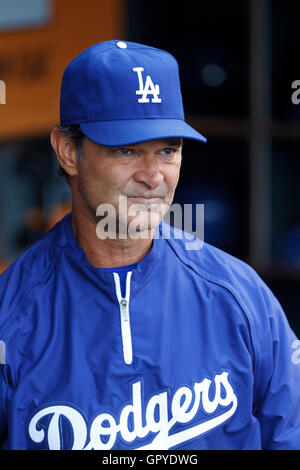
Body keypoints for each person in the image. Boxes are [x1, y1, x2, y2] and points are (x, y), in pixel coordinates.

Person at [0, 40, 300, 451]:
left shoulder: (241, 294)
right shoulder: (12, 314)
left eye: (167, 150)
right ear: (69, 152)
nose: (153, 176)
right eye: (126, 150)